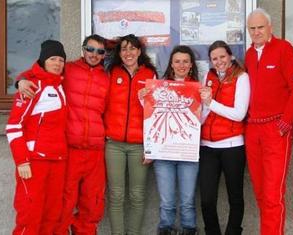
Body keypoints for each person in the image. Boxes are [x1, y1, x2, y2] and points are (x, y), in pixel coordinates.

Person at [17, 34, 110, 234]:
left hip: (95, 150)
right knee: (64, 203)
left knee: (93, 203)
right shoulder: (68, 68)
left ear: (104, 55)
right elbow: (39, 70)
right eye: (90, 49)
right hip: (70, 148)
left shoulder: (107, 77)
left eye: (100, 51)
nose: (94, 54)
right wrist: (21, 81)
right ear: (83, 49)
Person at [244, 8, 293, 235]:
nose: (257, 32)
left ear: (270, 27)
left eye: (261, 27)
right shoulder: (249, 55)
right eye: (252, 28)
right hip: (253, 129)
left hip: (275, 128)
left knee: (272, 194)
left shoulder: (284, 49)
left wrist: (286, 123)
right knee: (260, 191)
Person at [6, 40, 68, 234]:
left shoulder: (60, 86)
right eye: (52, 59)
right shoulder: (30, 86)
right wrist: (22, 160)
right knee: (30, 215)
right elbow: (14, 126)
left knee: (51, 215)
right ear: (43, 61)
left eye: (61, 59)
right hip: (33, 163)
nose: (57, 63)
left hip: (57, 160)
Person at [141, 45, 200, 235]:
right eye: (177, 61)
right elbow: (150, 117)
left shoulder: (199, 89)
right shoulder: (159, 87)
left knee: (188, 201)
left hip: (188, 152)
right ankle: (165, 229)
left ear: (191, 65)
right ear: (171, 65)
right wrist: (141, 97)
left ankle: (189, 229)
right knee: (166, 202)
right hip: (164, 152)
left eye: (185, 61)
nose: (181, 65)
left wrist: (205, 101)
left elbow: (202, 120)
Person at [104, 34, 157, 235]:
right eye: (124, 49)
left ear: (139, 51)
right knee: (116, 195)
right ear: (119, 52)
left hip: (139, 145)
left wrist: (151, 147)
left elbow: (156, 113)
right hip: (114, 144)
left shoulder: (150, 74)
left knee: (137, 195)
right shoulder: (111, 72)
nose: (128, 53)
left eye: (132, 48)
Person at [198, 40, 249, 235]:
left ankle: (233, 232)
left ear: (230, 56)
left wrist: (211, 103)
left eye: (222, 57)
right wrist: (200, 110)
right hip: (208, 146)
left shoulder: (242, 77)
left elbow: (239, 113)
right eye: (214, 58)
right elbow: (203, 114)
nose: (219, 61)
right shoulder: (207, 77)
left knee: (235, 196)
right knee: (206, 198)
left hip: (232, 145)